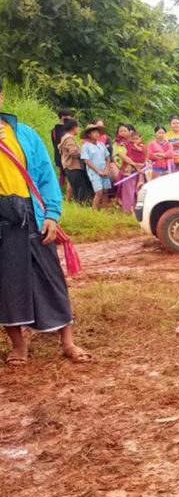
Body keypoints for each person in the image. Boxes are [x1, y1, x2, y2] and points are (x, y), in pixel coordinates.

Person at [0, 84, 90, 365]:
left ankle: (68, 342)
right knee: (7, 284)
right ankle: (18, 346)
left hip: (32, 214)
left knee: (51, 278)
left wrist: (51, 214)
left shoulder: (24, 134)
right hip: (3, 220)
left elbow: (46, 177)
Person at [58, 118, 92, 203]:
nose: (78, 129)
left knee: (78, 188)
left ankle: (81, 205)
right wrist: (84, 154)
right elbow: (73, 152)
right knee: (80, 189)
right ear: (74, 128)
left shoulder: (66, 137)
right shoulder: (69, 139)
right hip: (73, 166)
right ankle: (82, 207)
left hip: (70, 166)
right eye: (78, 127)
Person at [80, 124, 112, 210]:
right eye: (94, 132)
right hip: (94, 172)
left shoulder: (101, 144)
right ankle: (94, 211)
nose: (97, 134)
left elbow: (108, 157)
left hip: (104, 171)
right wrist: (98, 171)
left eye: (97, 132)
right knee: (99, 192)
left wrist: (107, 168)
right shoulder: (86, 146)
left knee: (105, 191)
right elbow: (86, 160)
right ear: (89, 135)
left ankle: (105, 211)